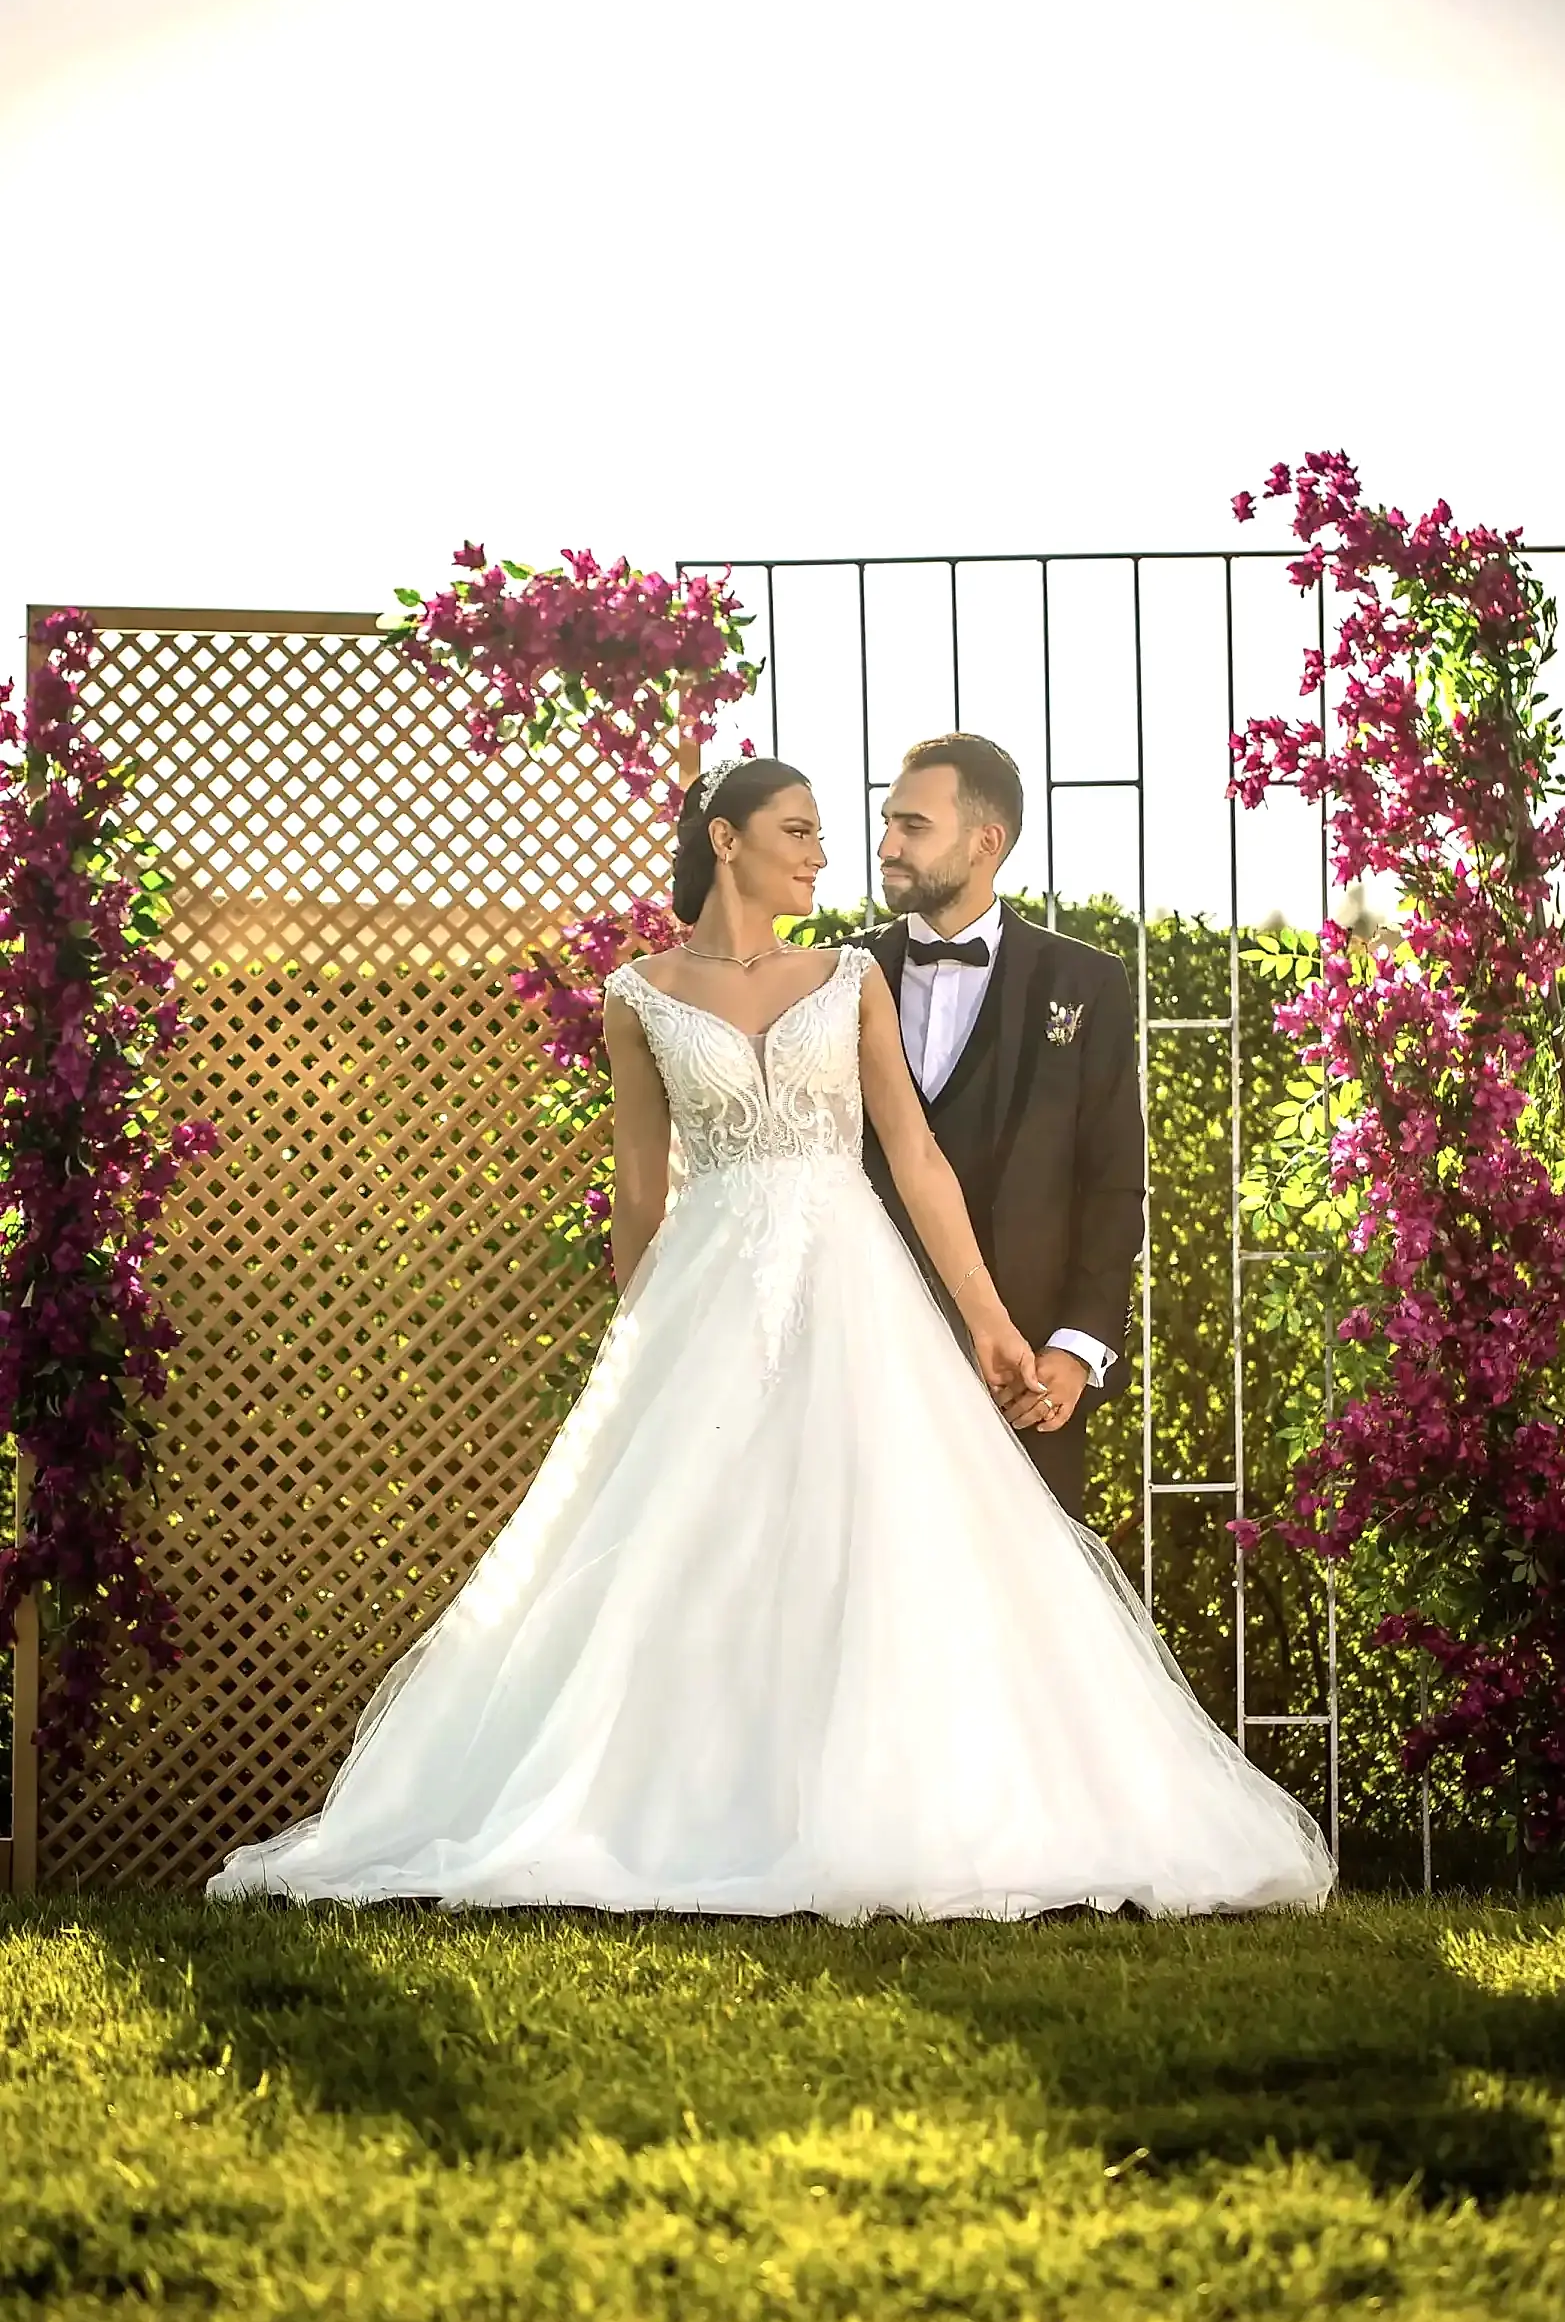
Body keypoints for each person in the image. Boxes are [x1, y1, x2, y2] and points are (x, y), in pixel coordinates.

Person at [207, 757, 1334, 1919]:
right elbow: (637, 1192)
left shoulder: (849, 978)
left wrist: (994, 1323)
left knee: (883, 1541)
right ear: (725, 838)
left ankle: (903, 1805)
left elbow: (917, 1159)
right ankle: (674, 1811)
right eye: (799, 830)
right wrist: (637, 1346)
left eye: (832, 832)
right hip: (704, 1296)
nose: (826, 852)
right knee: (689, 1548)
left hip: (853, 1291)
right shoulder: (638, 995)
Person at [863, 734, 1143, 1519]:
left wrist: (1077, 1348)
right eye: (887, 822)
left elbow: (1113, 1182)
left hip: (1024, 1380)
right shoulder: (838, 976)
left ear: (987, 841)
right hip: (866, 1365)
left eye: (913, 826)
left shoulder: (1086, 982)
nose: (887, 846)